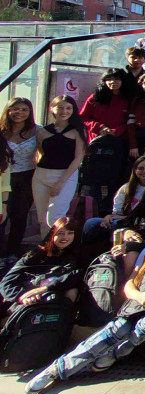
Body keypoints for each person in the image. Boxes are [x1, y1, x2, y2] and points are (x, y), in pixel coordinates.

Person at [25, 207, 145, 394]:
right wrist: (139, 296)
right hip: (142, 300)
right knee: (117, 329)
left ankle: (115, 353)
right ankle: (57, 369)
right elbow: (131, 283)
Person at [1, 216, 82, 308]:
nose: (65, 237)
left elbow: (78, 275)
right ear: (52, 235)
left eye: (70, 233)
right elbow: (6, 282)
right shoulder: (35, 255)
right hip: (29, 295)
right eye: (60, 233)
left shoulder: (77, 254)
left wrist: (46, 288)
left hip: (55, 294)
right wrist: (22, 296)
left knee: (72, 292)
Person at [33, 95, 86, 235]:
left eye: (68, 108)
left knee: (55, 218)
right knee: (42, 218)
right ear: (52, 109)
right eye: (60, 107)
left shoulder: (78, 131)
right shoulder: (42, 131)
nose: (64, 111)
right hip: (41, 175)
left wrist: (61, 181)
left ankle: (59, 249)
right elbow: (40, 153)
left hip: (65, 176)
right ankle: (45, 252)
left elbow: (78, 157)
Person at [81, 157, 145, 244]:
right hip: (123, 218)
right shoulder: (126, 188)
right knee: (91, 223)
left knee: (117, 224)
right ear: (135, 170)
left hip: (143, 222)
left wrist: (120, 218)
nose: (144, 171)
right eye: (140, 168)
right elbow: (117, 210)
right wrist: (109, 216)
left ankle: (115, 252)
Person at [1, 98, 39, 256]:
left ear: (30, 112)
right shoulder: (1, 130)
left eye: (24, 109)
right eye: (15, 109)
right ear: (8, 111)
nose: (19, 113)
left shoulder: (38, 131)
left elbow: (45, 154)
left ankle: (13, 253)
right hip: (3, 178)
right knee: (2, 215)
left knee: (19, 215)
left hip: (26, 177)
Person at [79, 68, 131, 144]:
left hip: (119, 142)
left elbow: (132, 121)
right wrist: (99, 127)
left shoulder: (128, 100)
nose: (113, 82)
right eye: (109, 79)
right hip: (96, 141)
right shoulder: (95, 98)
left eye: (117, 79)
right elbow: (83, 118)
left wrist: (116, 131)